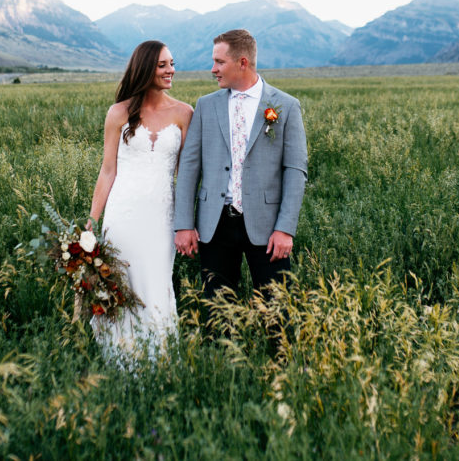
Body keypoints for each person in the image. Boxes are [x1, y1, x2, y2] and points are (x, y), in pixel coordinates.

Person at [173, 29, 308, 303]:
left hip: (268, 225)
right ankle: (220, 349)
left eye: (219, 62)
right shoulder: (206, 106)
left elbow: (295, 171)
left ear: (242, 62)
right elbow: (189, 167)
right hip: (215, 223)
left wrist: (285, 229)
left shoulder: (285, 106)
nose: (213, 69)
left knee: (277, 309)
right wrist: (183, 224)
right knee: (217, 309)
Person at [88, 40, 193, 360]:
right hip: (123, 215)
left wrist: (186, 223)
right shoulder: (118, 112)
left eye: (172, 63)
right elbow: (107, 171)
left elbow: (185, 175)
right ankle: (120, 358)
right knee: (122, 283)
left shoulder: (184, 113)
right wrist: (91, 223)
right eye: (162, 65)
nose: (170, 70)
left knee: (156, 281)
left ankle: (159, 359)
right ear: (145, 68)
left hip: (162, 216)